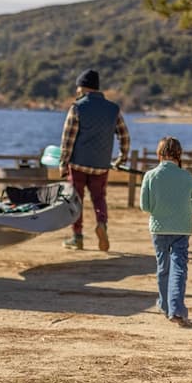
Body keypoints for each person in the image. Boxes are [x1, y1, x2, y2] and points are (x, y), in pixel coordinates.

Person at [58, 69, 130, 251]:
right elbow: (124, 136)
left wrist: (63, 163)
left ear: (83, 88)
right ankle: (102, 224)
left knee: (76, 200)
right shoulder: (113, 109)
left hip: (78, 164)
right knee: (99, 198)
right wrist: (122, 158)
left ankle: (77, 237)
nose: (77, 91)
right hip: (101, 165)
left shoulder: (77, 107)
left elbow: (68, 140)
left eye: (78, 87)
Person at [140, 137, 192, 328]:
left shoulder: (150, 175)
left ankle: (164, 305)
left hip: (159, 228)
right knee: (179, 268)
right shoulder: (186, 176)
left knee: (163, 267)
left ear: (159, 154)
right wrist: (187, 207)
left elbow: (145, 206)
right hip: (181, 228)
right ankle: (176, 309)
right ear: (179, 154)